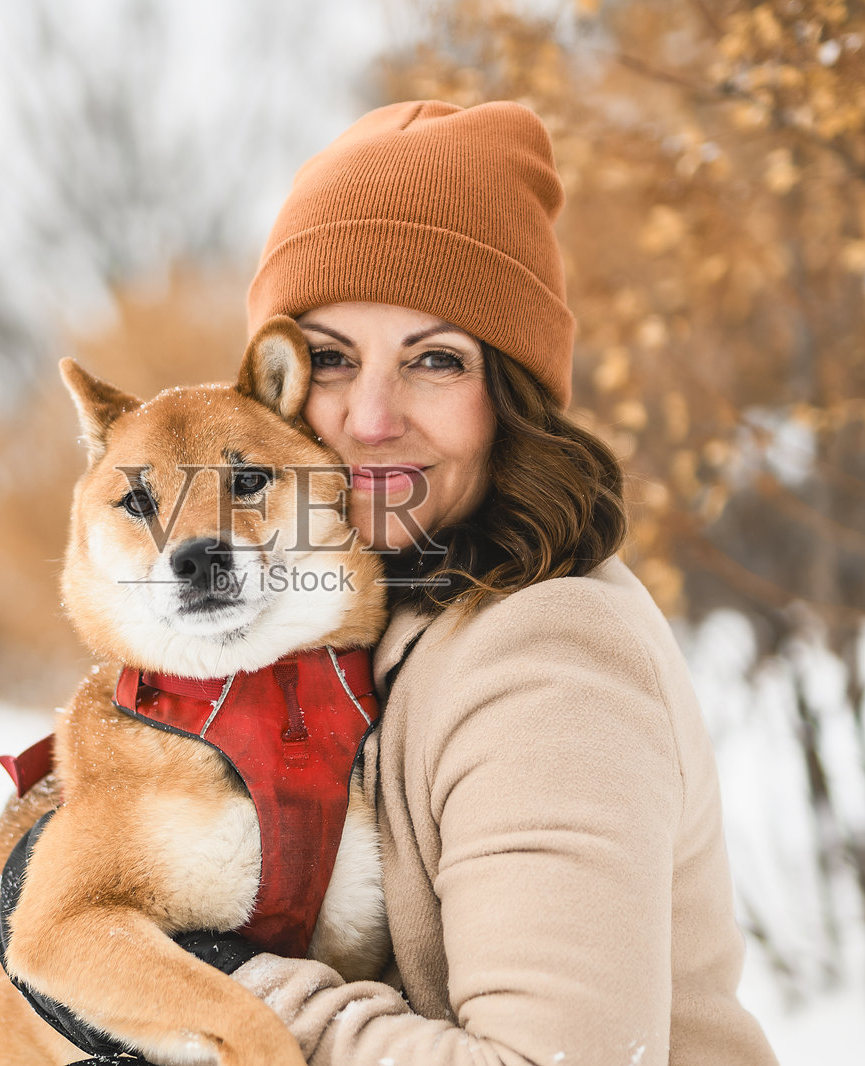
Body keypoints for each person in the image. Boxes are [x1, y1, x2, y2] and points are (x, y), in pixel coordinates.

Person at [219, 100, 781, 1065]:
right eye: (329, 360)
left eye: (437, 359)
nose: (370, 417)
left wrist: (220, 992)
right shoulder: (365, 625)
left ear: (509, 400)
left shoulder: (547, 657)